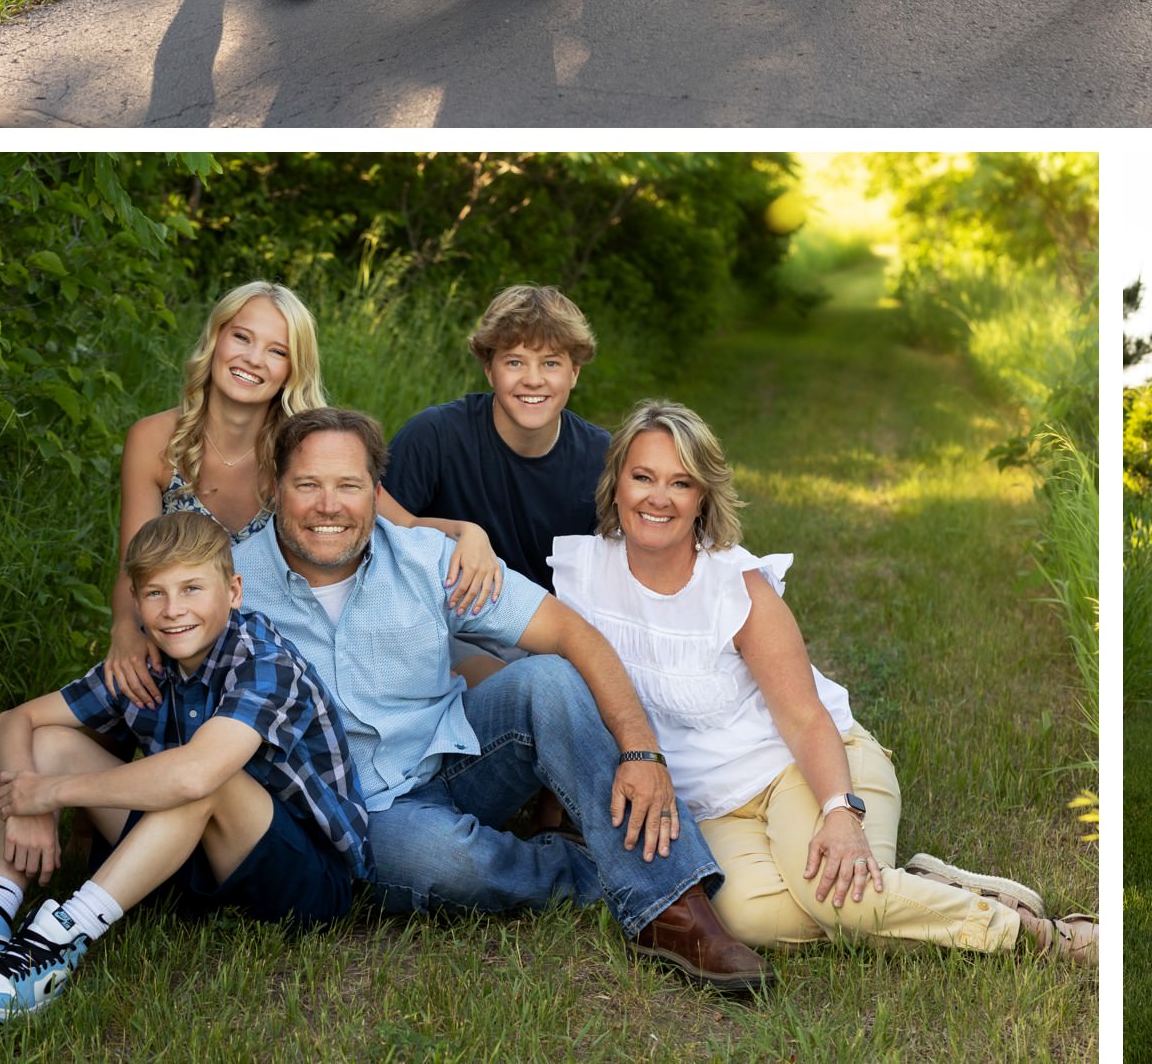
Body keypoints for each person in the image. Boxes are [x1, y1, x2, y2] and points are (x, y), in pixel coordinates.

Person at [233, 406, 771, 992]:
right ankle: (589, 868)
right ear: (274, 486)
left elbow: (571, 633)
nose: (328, 505)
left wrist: (642, 751)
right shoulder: (231, 584)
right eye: (307, 484)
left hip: (458, 755)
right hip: (362, 813)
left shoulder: (423, 558)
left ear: (376, 491)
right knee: (443, 860)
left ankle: (675, 910)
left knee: (549, 679)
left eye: (349, 486)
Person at [551, 399, 1095, 965]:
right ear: (615, 484)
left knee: (837, 900)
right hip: (714, 805)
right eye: (642, 477)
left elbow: (804, 717)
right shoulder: (584, 577)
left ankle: (1039, 936)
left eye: (680, 483)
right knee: (744, 916)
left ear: (701, 499)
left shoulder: (735, 586)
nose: (658, 498)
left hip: (806, 763)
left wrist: (840, 812)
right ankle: (925, 887)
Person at [0, 512, 367, 1021]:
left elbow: (193, 776)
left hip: (305, 882)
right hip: (193, 857)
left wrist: (52, 794)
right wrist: (24, 802)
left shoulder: (264, 662)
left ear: (232, 592)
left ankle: (57, 941)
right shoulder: (144, 664)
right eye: (156, 593)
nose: (173, 609)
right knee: (47, 742)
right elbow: (13, 722)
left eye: (192, 589)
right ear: (136, 602)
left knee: (203, 776)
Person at [104, 281, 501, 708]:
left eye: (277, 351)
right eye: (242, 337)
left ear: (293, 369)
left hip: (298, 633)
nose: (253, 359)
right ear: (215, 338)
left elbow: (401, 523)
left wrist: (469, 532)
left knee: (494, 674)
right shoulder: (154, 441)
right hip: (187, 632)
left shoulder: (304, 447)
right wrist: (125, 630)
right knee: (103, 707)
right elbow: (136, 564)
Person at [382, 284, 609, 593]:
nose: (532, 380)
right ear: (489, 370)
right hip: (451, 623)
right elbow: (379, 524)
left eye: (551, 363)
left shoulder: (601, 457)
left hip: (553, 627)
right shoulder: (436, 435)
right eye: (514, 362)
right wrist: (459, 532)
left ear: (574, 373)